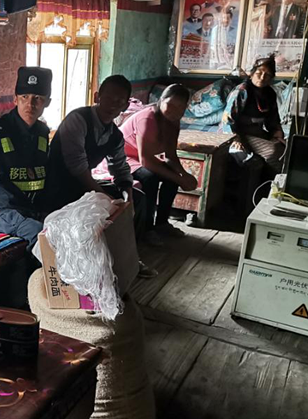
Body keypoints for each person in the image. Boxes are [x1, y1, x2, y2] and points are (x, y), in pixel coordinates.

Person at [46, 75, 158, 278]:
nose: (113, 105)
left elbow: (120, 168)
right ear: (97, 97)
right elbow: (77, 166)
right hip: (58, 186)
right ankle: (99, 267)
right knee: (105, 205)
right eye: (108, 98)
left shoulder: (115, 135)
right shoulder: (78, 119)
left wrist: (127, 195)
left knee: (137, 199)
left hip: (84, 186)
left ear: (126, 106)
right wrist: (105, 197)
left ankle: (129, 259)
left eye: (119, 101)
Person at [0, 67, 52, 249]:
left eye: (37, 98)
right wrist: (30, 211)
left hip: (30, 207)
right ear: (15, 99)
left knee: (67, 223)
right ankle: (44, 269)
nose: (30, 104)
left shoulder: (42, 132)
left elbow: (46, 175)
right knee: (38, 232)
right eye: (24, 97)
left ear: (47, 102)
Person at [119, 84, 198, 247]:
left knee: (172, 178)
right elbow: (146, 161)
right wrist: (179, 178)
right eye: (171, 105)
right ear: (161, 101)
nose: (175, 111)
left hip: (141, 157)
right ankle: (147, 229)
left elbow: (170, 155)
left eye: (180, 107)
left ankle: (162, 223)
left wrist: (183, 174)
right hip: (123, 158)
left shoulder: (173, 121)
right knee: (150, 178)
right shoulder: (147, 119)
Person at [221, 55, 286, 181]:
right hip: (238, 133)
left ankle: (274, 184)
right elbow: (228, 118)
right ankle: (269, 185)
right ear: (252, 74)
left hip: (256, 132)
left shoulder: (270, 94)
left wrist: (277, 134)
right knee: (273, 151)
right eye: (259, 73)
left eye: (267, 75)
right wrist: (236, 139)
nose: (262, 77)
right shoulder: (242, 90)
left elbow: (273, 119)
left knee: (284, 148)